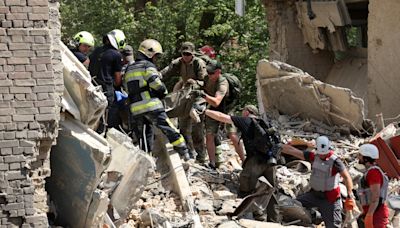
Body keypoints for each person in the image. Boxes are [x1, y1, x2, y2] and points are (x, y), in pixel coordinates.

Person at [200, 105, 280, 221]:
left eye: (243, 111)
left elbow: (222, 117)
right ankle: (275, 221)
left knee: (249, 191)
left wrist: (205, 111)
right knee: (271, 191)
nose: (242, 113)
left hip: (255, 162)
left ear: (247, 112)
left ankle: (256, 220)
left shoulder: (246, 120)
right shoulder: (264, 123)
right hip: (270, 161)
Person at [123, 39, 190, 160]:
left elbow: (126, 88)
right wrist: (163, 92)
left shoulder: (129, 68)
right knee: (168, 128)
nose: (156, 59)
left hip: (136, 108)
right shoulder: (147, 66)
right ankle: (184, 152)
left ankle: (146, 161)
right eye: (156, 56)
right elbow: (156, 84)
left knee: (144, 135)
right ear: (150, 53)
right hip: (151, 105)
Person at [281, 136, 355, 228]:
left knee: (333, 226)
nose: (322, 155)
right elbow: (293, 151)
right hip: (314, 195)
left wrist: (350, 195)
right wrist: (279, 146)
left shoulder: (335, 161)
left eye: (324, 153)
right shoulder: (314, 156)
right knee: (293, 205)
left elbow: (347, 177)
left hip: (330, 200)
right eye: (320, 153)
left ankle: (321, 216)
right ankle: (315, 216)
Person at [161, 42, 208, 159]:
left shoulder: (198, 63)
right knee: (183, 126)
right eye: (184, 54)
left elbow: (205, 82)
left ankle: (201, 156)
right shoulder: (178, 62)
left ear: (193, 54)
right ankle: (188, 152)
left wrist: (195, 83)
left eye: (189, 54)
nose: (186, 56)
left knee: (197, 128)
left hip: (198, 97)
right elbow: (165, 72)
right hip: (185, 95)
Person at [200, 61, 245, 168]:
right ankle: (212, 163)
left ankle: (244, 160)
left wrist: (203, 96)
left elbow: (216, 102)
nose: (209, 75)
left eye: (212, 73)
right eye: (208, 72)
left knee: (232, 135)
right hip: (213, 109)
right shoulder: (207, 78)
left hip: (226, 109)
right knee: (209, 135)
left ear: (218, 72)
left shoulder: (223, 83)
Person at [88, 29, 126, 134]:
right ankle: (107, 136)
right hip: (106, 89)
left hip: (92, 86)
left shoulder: (96, 51)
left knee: (96, 115)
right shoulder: (116, 55)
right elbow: (117, 78)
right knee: (109, 116)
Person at [356, 144, 389, 228]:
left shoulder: (373, 173)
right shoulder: (369, 172)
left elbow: (375, 197)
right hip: (372, 212)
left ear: (366, 158)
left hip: (376, 214)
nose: (358, 157)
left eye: (360, 155)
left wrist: (369, 215)